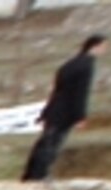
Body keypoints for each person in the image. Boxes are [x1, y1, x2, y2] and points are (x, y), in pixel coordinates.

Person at [22, 35, 102, 180]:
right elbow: (80, 93)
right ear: (95, 46)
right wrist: (80, 116)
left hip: (54, 109)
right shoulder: (86, 65)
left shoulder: (70, 64)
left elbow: (57, 90)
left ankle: (31, 174)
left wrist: (45, 112)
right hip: (64, 113)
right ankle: (40, 175)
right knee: (51, 145)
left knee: (44, 143)